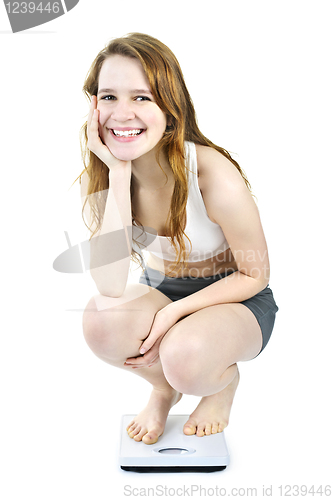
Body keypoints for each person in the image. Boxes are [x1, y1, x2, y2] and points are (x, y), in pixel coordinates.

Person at [79, 33, 278, 445]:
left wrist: (173, 315)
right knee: (102, 319)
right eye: (109, 97)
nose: (122, 113)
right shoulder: (104, 174)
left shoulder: (210, 174)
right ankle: (165, 388)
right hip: (163, 292)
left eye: (141, 98)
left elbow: (255, 276)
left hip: (236, 299)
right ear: (93, 106)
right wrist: (117, 175)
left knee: (185, 356)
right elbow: (111, 286)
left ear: (170, 107)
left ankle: (220, 381)